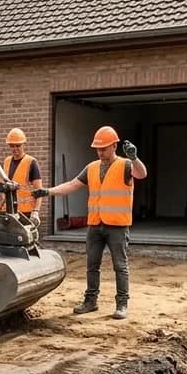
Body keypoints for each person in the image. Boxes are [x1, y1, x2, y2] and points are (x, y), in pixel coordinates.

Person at [30, 126, 147, 319]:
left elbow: (141, 174)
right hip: (95, 225)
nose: (100, 152)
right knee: (92, 265)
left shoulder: (126, 165)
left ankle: (122, 304)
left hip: (117, 226)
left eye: (104, 148)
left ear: (114, 146)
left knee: (120, 266)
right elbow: (72, 185)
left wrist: (134, 158)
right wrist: (47, 191)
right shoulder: (91, 167)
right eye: (97, 149)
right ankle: (90, 301)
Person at [2, 128, 43, 226]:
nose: (14, 148)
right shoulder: (6, 161)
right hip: (9, 212)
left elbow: (39, 191)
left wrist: (36, 211)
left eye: (18, 145)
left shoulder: (31, 162)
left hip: (26, 213)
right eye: (12, 146)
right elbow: (2, 185)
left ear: (24, 144)